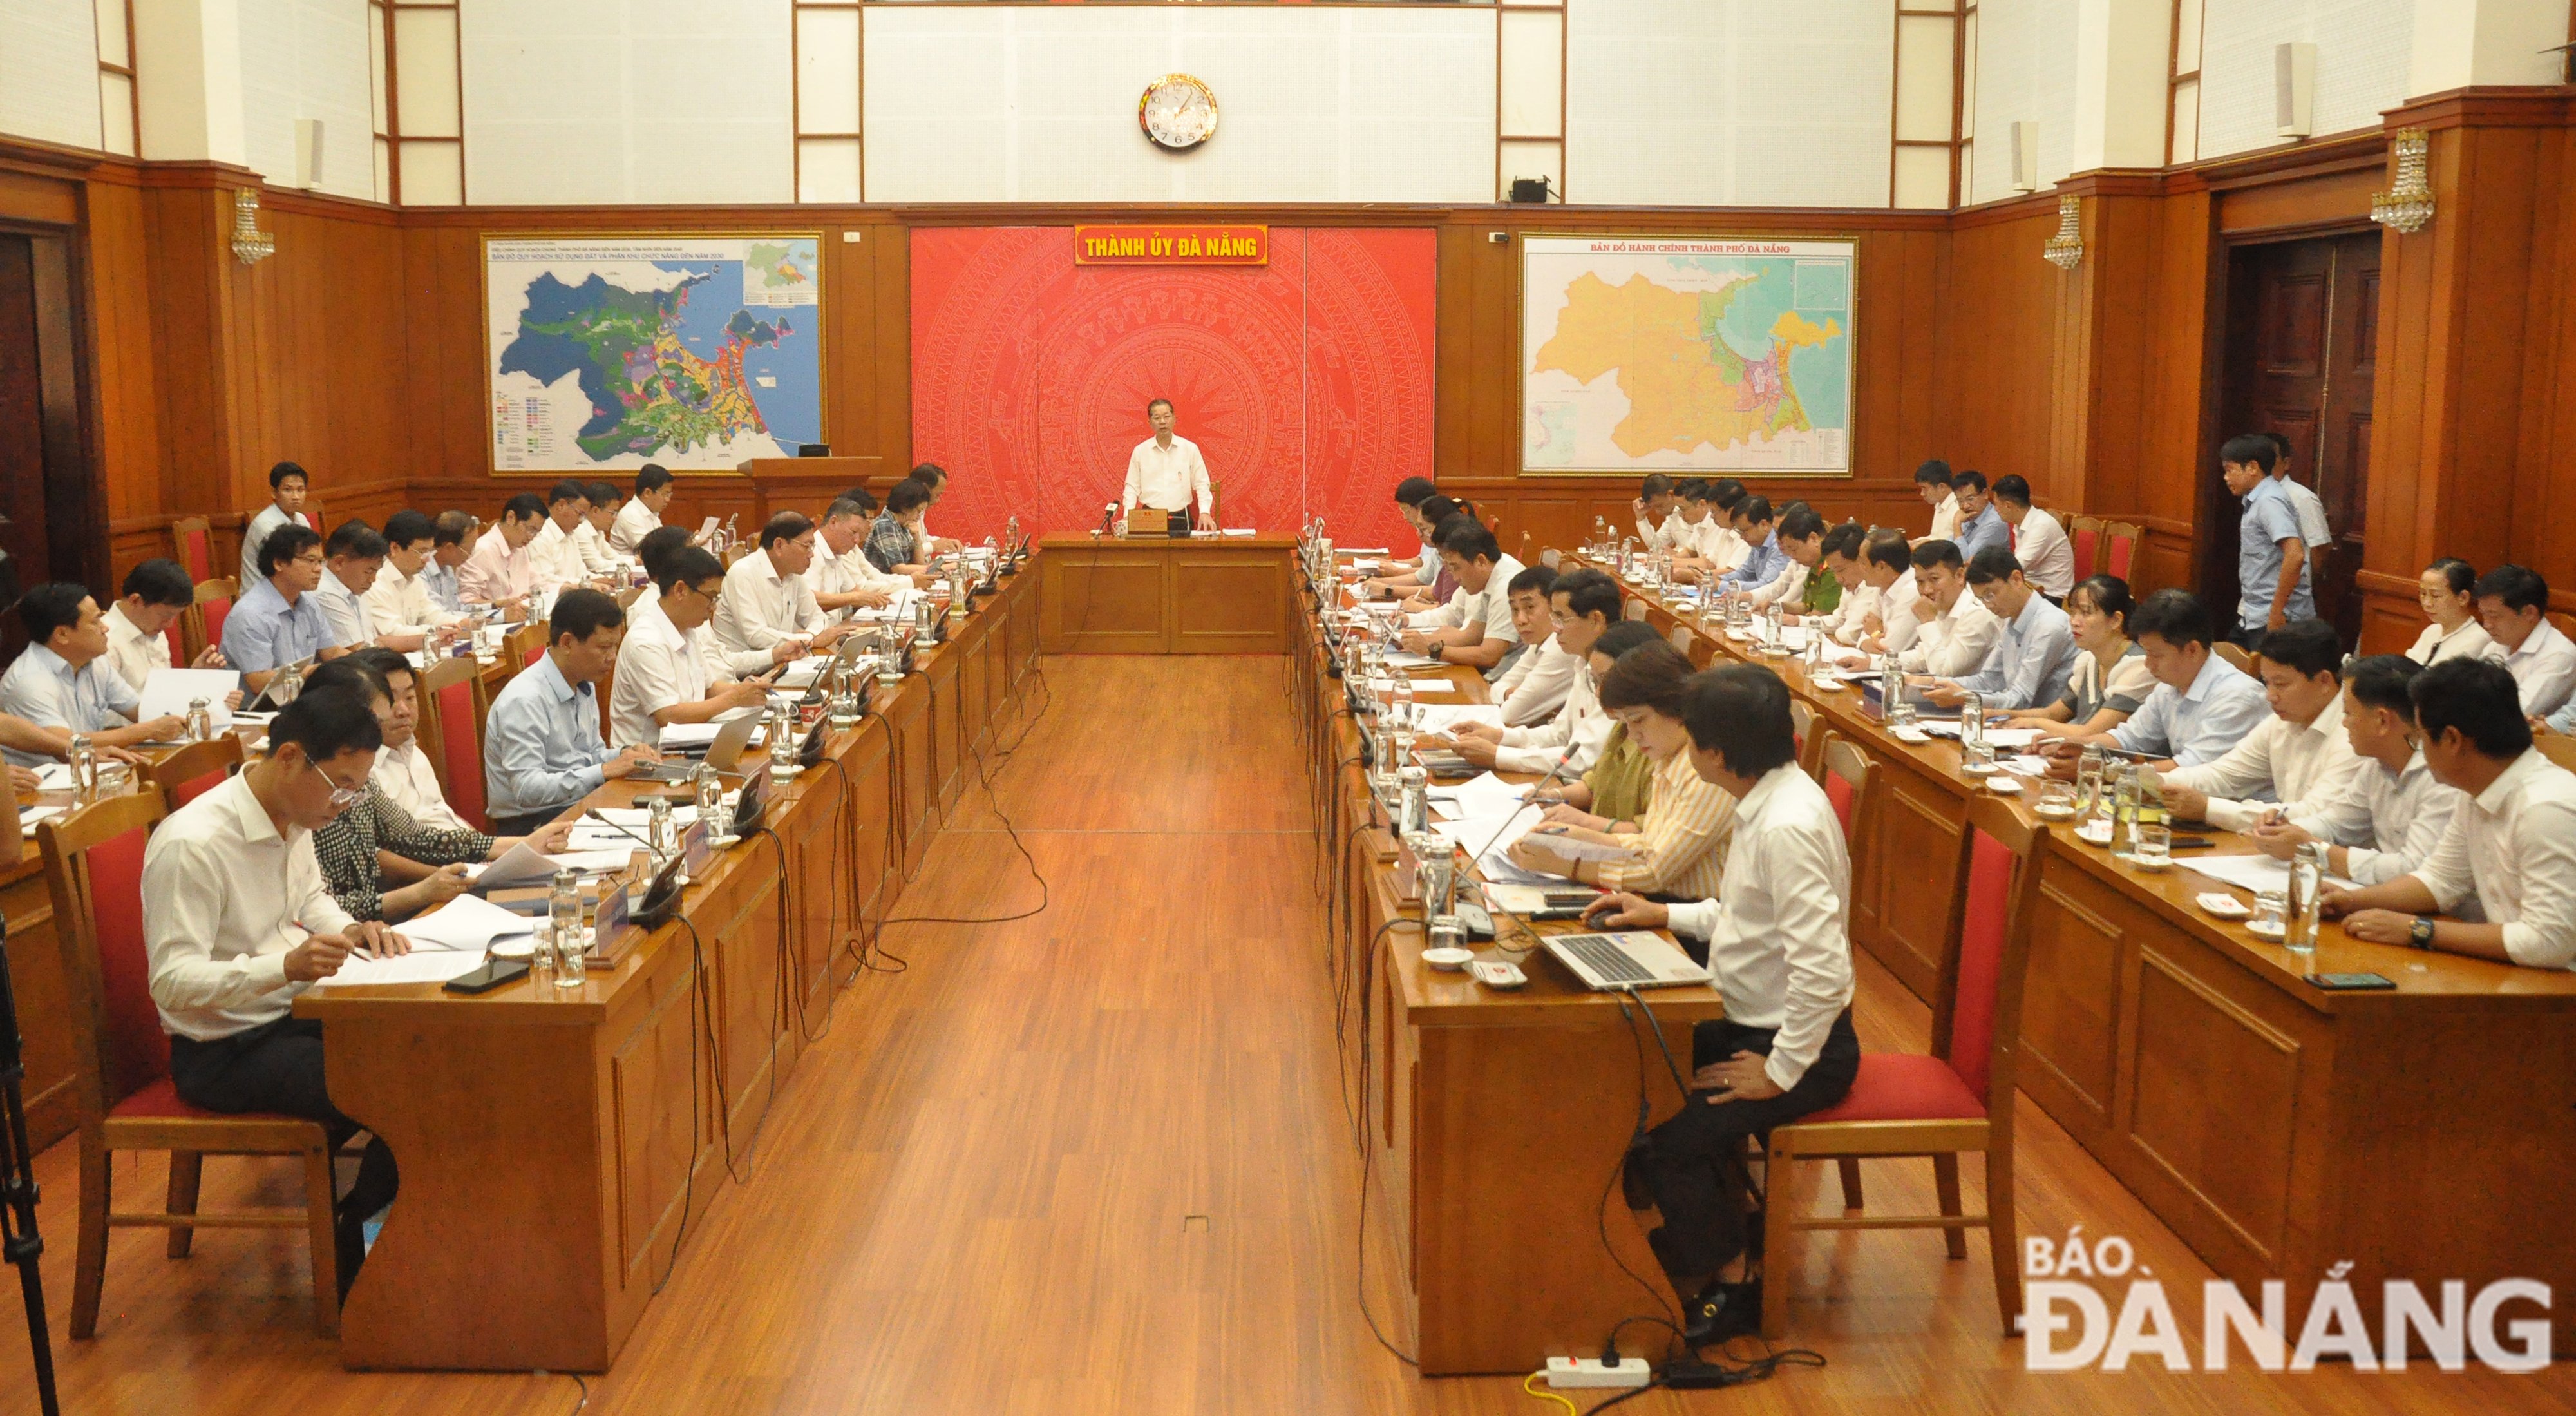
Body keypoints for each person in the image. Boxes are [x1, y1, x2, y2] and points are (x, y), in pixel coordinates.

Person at [1581, 664, 1860, 1344]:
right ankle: (1713, 1237)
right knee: (1629, 1081)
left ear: (1713, 752)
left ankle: (1733, 1282)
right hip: (1754, 1018)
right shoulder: (1767, 795)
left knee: (1667, 1140)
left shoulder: (1784, 825)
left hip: (1800, 1044)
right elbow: (1744, 915)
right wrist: (1662, 914)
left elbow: (1823, 971)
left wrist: (1779, 1069)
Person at [142, 684, 405, 1295]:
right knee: (396, 1086)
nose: (346, 803)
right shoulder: (193, 845)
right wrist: (284, 968)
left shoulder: (296, 813)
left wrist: (353, 931)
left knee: (429, 1050)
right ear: (289, 757)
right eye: (339, 784)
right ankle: (358, 1249)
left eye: (357, 789)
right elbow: (172, 983)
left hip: (290, 1012)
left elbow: (310, 899)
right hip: (225, 1051)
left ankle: (401, 1234)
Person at [2319, 658, 2576, 968]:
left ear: (2452, 739)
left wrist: (2420, 930)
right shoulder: (2477, 792)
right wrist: (2351, 901)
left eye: (2421, 738)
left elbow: (2549, 943)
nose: (2419, 750)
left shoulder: (2545, 809)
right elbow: (2439, 882)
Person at [303, 653, 569, 922]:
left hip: (384, 921)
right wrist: (425, 889)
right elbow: (328, 909)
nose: (402, 712)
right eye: (378, 718)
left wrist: (524, 845)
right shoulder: (314, 796)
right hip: (378, 924)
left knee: (562, 902)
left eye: (409, 697)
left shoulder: (363, 781)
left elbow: (418, 837)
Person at [1508, 640, 1735, 900]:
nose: (1633, 735)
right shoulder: (1668, 756)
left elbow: (1653, 871)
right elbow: (1650, 843)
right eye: (1626, 722)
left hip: (1693, 920)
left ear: (1678, 707)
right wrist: (1578, 836)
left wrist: (1562, 863)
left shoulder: (1704, 771)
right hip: (1661, 904)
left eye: (1638, 720)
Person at [2248, 655, 2465, 886]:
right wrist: (2286, 830)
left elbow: (2414, 870)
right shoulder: (2376, 765)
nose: (2344, 723)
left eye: (2349, 713)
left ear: (2382, 720)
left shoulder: (2442, 777)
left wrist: (2315, 848)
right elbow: (2337, 824)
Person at [2155, 619, 2363, 830]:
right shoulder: (2282, 722)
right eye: (2267, 683)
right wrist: (2155, 782)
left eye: (2281, 685)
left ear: (2324, 681)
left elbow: (2315, 813)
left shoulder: (2354, 734)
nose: (2270, 696)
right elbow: (2224, 775)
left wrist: (2208, 808)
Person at [482, 589, 659, 835]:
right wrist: (605, 770)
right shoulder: (524, 700)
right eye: (604, 647)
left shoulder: (582, 683)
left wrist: (625, 756)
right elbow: (527, 790)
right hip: (532, 825)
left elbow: (591, 754)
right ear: (566, 642)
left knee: (661, 814)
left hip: (577, 805)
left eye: (615, 646)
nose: (613, 657)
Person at [2058, 589, 2269, 771]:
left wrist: (2104, 769)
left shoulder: (2237, 697)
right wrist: (2076, 746)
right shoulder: (2170, 685)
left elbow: (2193, 766)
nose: (2148, 665)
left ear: (2192, 650)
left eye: (2156, 655)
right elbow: (2129, 738)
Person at [1445, 569, 1621, 774]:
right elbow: (1560, 736)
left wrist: (1498, 756)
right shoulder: (1583, 662)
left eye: (1562, 619)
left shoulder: (1617, 671)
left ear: (1596, 620)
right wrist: (1500, 737)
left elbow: (1583, 759)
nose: (1555, 629)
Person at [0, 582, 187, 764]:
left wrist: (183, 718)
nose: (105, 628)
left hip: (94, 770)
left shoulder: (95, 661)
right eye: (95, 621)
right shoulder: (30, 682)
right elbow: (67, 746)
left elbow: (140, 711)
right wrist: (147, 730)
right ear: (62, 635)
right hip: (44, 786)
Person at [612, 546, 772, 748]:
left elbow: (709, 688)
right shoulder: (646, 641)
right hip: (649, 758)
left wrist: (749, 691)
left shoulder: (687, 629)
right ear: (681, 591)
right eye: (711, 597)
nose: (713, 607)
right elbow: (668, 716)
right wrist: (736, 697)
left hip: (690, 742)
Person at [1525, 622, 1663, 823]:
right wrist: (1555, 796)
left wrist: (1584, 823)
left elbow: (1649, 835)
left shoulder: (1661, 746)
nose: (1599, 693)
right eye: (1596, 682)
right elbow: (1595, 783)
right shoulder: (1620, 725)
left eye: (1606, 681)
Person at [1916, 547, 2076, 712]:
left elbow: (2021, 699)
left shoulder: (2049, 625)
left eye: (1990, 595)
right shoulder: (2011, 620)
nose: (1988, 605)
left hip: (2044, 724)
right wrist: (1933, 683)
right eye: (1981, 599)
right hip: (2016, 720)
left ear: (2016, 579)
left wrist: (1965, 697)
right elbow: (1989, 680)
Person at [2005, 575, 2154, 740]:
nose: (2075, 622)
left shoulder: (2138, 666)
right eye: (2073, 613)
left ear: (2116, 620)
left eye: (2086, 613)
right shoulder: (2088, 661)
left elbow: (2089, 733)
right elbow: (2052, 714)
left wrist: (2035, 723)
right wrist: (1999, 714)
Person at [223, 524, 346, 691]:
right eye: (310, 561)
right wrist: (310, 672)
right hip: (256, 711)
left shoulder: (309, 603)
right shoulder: (250, 614)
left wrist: (364, 663)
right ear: (279, 563)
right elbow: (258, 681)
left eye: (320, 562)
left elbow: (331, 652)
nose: (319, 570)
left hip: (300, 698)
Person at [716, 512, 853, 659]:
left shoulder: (792, 574)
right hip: (742, 672)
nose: (811, 555)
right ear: (779, 545)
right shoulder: (743, 573)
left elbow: (818, 617)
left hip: (782, 661)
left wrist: (811, 636)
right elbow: (756, 635)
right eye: (807, 546)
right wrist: (809, 641)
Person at [2221, 433, 2312, 643]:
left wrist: (2277, 613)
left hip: (2277, 616)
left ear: (2252, 468)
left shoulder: (2270, 500)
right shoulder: (2256, 498)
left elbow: (2295, 555)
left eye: (2229, 470)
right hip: (2254, 613)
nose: (2226, 478)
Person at [1398, 519, 1524, 671]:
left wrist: (1433, 649)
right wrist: (1414, 641)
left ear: (1481, 562)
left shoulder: (1506, 586)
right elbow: (1472, 635)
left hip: (1504, 676)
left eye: (1456, 568)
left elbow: (1489, 656)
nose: (1455, 578)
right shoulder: (1492, 573)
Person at [101, 557, 228, 692]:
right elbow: (107, 710)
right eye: (166, 616)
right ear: (136, 601)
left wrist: (194, 676)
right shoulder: (105, 642)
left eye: (175, 616)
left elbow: (164, 692)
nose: (169, 624)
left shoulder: (154, 630)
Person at [2472, 564, 2575, 718]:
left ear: (2529, 613)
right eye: (2483, 614)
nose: (2486, 624)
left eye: (2494, 616)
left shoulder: (2559, 654)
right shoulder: (2495, 646)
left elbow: (2516, 712)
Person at [310, 521, 428, 654]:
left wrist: (432, 639)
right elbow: (359, 652)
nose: (373, 579)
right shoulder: (326, 593)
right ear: (339, 562)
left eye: (377, 571)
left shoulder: (353, 587)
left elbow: (377, 642)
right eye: (369, 571)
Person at [1486, 565, 1578, 727]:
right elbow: (1497, 687)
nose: (1521, 619)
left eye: (1530, 608)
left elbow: (1510, 715)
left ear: (1554, 607)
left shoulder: (1562, 648)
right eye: (1515, 610)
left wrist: (1512, 696)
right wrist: (1509, 693)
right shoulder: (1540, 641)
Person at [1894, 539, 2000, 678]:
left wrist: (1928, 621)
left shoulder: (1978, 614)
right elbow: (1922, 658)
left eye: (1934, 579)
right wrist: (1871, 662)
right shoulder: (1944, 606)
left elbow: (1942, 671)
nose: (1926, 590)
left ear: (1960, 576)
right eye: (1920, 582)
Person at [362, 510, 468, 641]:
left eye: (430, 551)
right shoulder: (374, 581)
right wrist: (437, 630)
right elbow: (392, 632)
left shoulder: (413, 577)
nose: (427, 559)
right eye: (422, 551)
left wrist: (460, 622)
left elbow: (429, 614)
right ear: (395, 548)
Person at [1121, 398, 1213, 531]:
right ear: (1150, 422)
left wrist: (1205, 512)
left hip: (1181, 517)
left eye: (1167, 417)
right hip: (1149, 517)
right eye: (1157, 418)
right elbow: (1132, 487)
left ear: (1175, 419)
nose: (1163, 422)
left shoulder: (1190, 448)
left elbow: (1202, 483)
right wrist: (1127, 515)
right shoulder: (1141, 451)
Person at [810, 498, 898, 619]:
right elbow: (809, 598)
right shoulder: (812, 552)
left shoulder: (837, 553)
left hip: (838, 628)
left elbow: (854, 591)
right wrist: (856, 597)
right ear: (833, 522)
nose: (857, 540)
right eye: (854, 532)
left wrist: (879, 599)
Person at [2407, 558, 2502, 667]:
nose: (2427, 603)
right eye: (2423, 594)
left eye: (2436, 596)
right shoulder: (2431, 631)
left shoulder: (2477, 640)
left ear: (2463, 598)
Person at [1990, 474, 2072, 598]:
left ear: (2008, 505)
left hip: (2052, 597)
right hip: (2031, 589)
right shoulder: (2021, 523)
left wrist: (1985, 569)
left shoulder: (2042, 525)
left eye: (1996, 504)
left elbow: (2016, 566)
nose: (1995, 509)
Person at [1359, 478, 1443, 601]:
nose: (1419, 535)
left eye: (1424, 530)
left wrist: (1388, 587)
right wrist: (1377, 581)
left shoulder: (1447, 541)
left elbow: (1435, 591)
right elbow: (1422, 576)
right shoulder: (1436, 547)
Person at [2266, 431, 2333, 584]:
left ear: (2286, 463)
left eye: (2271, 458)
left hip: (2293, 590)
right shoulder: (2252, 496)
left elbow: (2320, 547)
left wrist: (2310, 584)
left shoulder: (2302, 498)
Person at [237, 461, 312, 593]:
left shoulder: (302, 520)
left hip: (287, 590)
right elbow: (286, 570)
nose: (296, 497)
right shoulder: (266, 526)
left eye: (300, 490)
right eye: (288, 490)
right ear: (274, 493)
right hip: (261, 598)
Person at [1734, 508, 1826, 611]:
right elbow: (1779, 586)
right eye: (1776, 531)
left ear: (1813, 538)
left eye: (1781, 531)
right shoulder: (1804, 557)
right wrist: (1748, 596)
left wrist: (1774, 608)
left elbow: (1795, 599)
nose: (1778, 537)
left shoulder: (1825, 564)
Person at [460, 493, 544, 606]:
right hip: (494, 621)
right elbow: (466, 602)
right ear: (510, 518)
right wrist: (502, 605)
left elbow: (538, 585)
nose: (531, 537)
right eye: (530, 529)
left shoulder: (520, 549)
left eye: (536, 533)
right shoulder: (483, 550)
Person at [1804, 524, 1874, 645]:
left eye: (1841, 570)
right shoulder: (1851, 583)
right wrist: (1797, 621)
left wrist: (1837, 632)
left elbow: (1850, 635)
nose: (1838, 579)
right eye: (1834, 572)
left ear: (1861, 560)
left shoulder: (1873, 587)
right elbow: (1837, 620)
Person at [526, 481, 594, 593]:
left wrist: (604, 581)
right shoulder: (539, 535)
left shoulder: (571, 533)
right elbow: (545, 580)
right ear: (561, 506)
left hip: (574, 597)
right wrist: (587, 584)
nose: (581, 521)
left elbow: (581, 572)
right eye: (580, 514)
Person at [865, 479, 937, 579]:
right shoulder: (884, 525)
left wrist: (916, 537)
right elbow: (898, 569)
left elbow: (919, 563)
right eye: (918, 511)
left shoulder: (905, 524)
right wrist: (937, 569)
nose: (919, 517)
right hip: (884, 585)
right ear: (905, 507)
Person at [1714, 496, 1783, 594]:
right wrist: (1718, 579)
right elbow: (1745, 573)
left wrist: (1722, 585)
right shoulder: (1758, 543)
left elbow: (1765, 586)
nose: (1742, 537)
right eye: (1739, 531)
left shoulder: (1780, 547)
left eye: (1744, 531)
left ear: (1764, 525)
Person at [612, 464, 675, 555]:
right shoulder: (630, 514)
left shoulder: (652, 513)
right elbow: (650, 550)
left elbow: (664, 544)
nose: (668, 500)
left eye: (669, 495)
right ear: (647, 493)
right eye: (665, 494)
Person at [424, 510, 477, 613]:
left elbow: (459, 609)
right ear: (450, 548)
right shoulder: (421, 572)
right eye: (469, 550)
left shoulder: (447, 567)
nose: (470, 555)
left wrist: (497, 608)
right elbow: (442, 616)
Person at [1950, 471, 2007, 560]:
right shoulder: (1969, 516)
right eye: (1960, 501)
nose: (1965, 506)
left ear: (1985, 494)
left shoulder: (1995, 523)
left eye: (1970, 499)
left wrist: (1956, 525)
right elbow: (1949, 548)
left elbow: (1965, 560)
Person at [1632, 474, 1681, 551]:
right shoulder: (1672, 515)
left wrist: (1676, 556)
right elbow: (1656, 546)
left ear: (1670, 494)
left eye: (1660, 506)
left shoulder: (1693, 511)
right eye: (1654, 507)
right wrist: (1641, 516)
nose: (1658, 512)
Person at [1915, 459, 1959, 543]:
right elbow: (1935, 537)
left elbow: (1952, 545)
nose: (1922, 494)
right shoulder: (1940, 504)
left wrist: (1922, 543)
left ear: (1942, 487)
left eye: (1925, 489)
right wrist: (1914, 542)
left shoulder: (1957, 508)